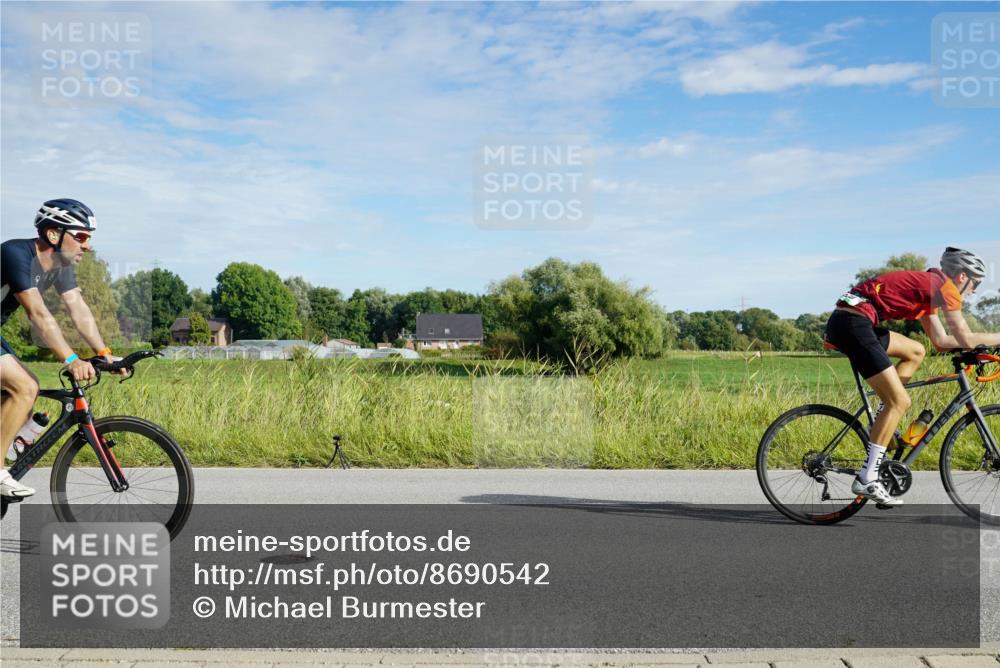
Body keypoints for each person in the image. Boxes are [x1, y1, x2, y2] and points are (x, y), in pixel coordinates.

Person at [825, 247, 999, 506]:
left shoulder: (931, 289)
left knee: (916, 351)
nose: (974, 290)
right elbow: (964, 337)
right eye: (976, 283)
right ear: (962, 277)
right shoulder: (944, 288)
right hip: (853, 323)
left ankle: (883, 418)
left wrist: (977, 350)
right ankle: (867, 478)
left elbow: (940, 342)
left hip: (853, 321)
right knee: (900, 402)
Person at [1, 198, 118, 499]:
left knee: (27, 388)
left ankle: (13, 440)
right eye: (80, 236)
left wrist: (104, 353)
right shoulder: (16, 254)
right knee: (24, 387)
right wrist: (70, 358)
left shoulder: (59, 266)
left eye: (88, 238)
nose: (87, 245)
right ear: (53, 235)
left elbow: (77, 308)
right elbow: (38, 314)